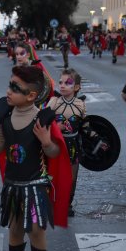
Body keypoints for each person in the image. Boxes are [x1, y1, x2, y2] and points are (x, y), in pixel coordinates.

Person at [0, 64, 72, 251]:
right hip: (12, 186)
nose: (8, 91)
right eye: (9, 85)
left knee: (37, 233)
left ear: (31, 95)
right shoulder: (4, 117)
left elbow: (53, 154)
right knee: (15, 231)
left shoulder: (42, 120)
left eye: (15, 88)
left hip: (34, 187)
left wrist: (46, 141)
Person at [46, 69, 86, 217]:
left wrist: (98, 141)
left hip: (74, 144)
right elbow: (42, 121)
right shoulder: (54, 101)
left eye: (67, 83)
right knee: (53, 174)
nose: (62, 85)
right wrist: (55, 127)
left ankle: (67, 204)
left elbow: (85, 126)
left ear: (76, 87)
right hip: (56, 144)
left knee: (72, 177)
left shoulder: (81, 104)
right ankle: (52, 202)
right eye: (61, 82)